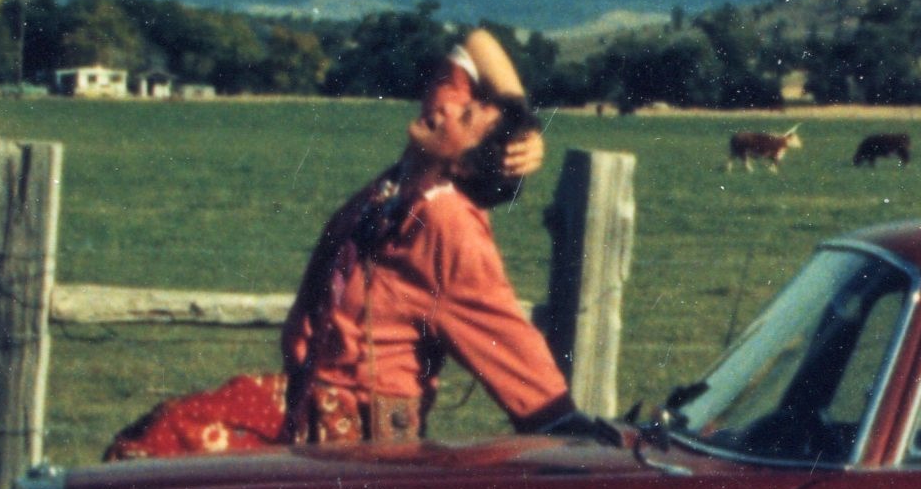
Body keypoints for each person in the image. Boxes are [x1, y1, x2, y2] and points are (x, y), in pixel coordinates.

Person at [104, 29, 615, 459]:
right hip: (305, 403)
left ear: (465, 164)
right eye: (461, 101)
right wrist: (523, 116)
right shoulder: (407, 179)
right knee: (152, 446)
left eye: (465, 116)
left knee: (157, 448)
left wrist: (568, 429)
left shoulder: (448, 224)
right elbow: (475, 42)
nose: (448, 108)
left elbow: (504, 332)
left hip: (359, 439)